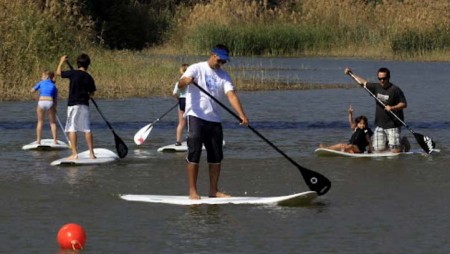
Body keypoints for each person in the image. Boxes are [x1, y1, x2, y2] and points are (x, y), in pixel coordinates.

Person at [178, 44, 249, 200]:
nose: (221, 64)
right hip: (195, 116)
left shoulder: (224, 76)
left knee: (216, 156)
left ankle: (213, 191)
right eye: (220, 60)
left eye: (224, 62)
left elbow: (231, 95)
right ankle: (192, 191)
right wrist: (186, 81)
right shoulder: (196, 68)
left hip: (214, 119)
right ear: (213, 55)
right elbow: (180, 84)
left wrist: (242, 115)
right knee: (194, 153)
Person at [345, 67, 409, 153]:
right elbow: (363, 83)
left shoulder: (395, 90)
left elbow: (404, 104)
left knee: (395, 151)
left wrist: (392, 107)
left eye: (384, 78)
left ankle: (403, 143)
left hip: (393, 124)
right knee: (378, 150)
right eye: (379, 79)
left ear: (388, 78)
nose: (382, 80)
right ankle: (389, 143)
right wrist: (351, 74)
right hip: (380, 124)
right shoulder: (376, 87)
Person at [56, 54, 97, 160]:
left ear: (78, 64)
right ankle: (91, 154)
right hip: (84, 105)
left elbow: (58, 73)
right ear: (88, 65)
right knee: (87, 129)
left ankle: (74, 154)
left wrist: (61, 61)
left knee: (72, 128)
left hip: (73, 104)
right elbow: (92, 93)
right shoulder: (89, 77)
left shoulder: (73, 73)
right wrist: (88, 96)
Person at [30, 70, 58, 144]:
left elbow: (32, 90)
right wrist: (54, 108)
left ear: (47, 76)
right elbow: (55, 100)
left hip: (41, 102)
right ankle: (55, 141)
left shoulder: (41, 83)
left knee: (40, 122)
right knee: (53, 123)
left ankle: (38, 141)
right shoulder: (54, 86)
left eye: (42, 76)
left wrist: (37, 89)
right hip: (50, 102)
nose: (41, 77)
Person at [172, 63, 189, 146]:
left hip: (181, 101)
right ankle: (192, 139)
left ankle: (178, 141)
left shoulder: (179, 81)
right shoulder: (192, 80)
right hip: (190, 101)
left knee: (181, 123)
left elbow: (174, 93)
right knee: (192, 122)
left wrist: (178, 99)